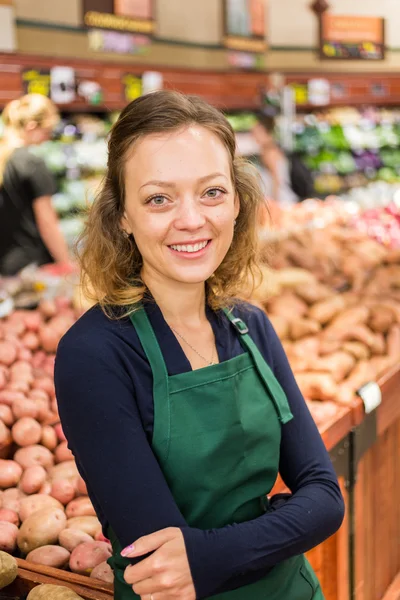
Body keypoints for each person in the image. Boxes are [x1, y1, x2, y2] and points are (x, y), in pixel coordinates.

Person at [54, 91, 344, 600]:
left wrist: (208, 554)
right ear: (122, 215)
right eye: (159, 198)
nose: (191, 219)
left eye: (211, 192)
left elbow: (326, 498)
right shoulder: (94, 355)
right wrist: (283, 524)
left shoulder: (250, 325)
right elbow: (161, 569)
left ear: (237, 201)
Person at [0, 94, 72, 275]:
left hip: (5, 263)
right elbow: (47, 221)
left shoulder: (4, 159)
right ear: (32, 127)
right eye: (47, 132)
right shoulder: (33, 163)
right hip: (31, 265)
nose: (46, 139)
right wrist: (65, 262)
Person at [253, 113, 314, 206]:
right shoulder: (274, 149)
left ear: (266, 132)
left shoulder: (269, 153)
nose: (253, 135)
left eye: (257, 132)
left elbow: (276, 179)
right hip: (286, 199)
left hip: (282, 201)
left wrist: (273, 202)